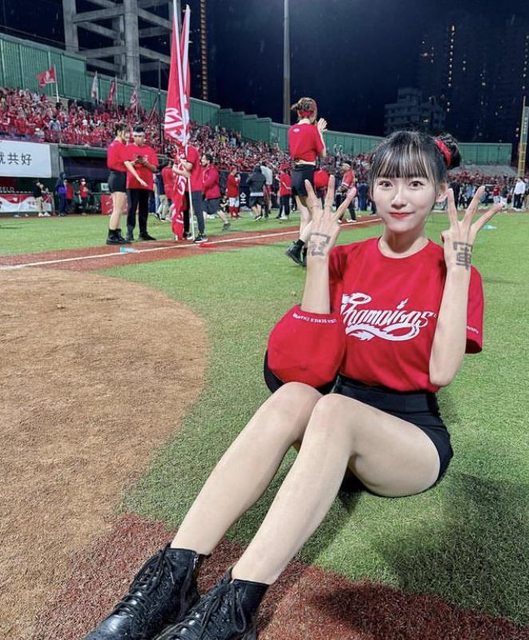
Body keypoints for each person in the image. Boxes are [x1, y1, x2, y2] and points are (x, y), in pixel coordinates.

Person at [84, 130, 502, 640]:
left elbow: (439, 374)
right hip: (331, 433)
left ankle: (232, 609)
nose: (399, 197)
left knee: (334, 410)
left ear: (440, 191)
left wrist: (458, 268)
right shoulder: (346, 260)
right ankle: (171, 576)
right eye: (387, 182)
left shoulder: (452, 270)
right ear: (370, 188)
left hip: (407, 441)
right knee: (297, 396)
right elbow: (305, 364)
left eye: (415, 184)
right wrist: (319, 258)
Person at [285, 96, 327, 265]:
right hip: (307, 173)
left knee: (305, 216)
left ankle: (303, 254)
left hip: (295, 173)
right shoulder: (312, 130)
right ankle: (297, 247)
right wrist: (319, 132)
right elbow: (323, 154)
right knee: (318, 214)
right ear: (313, 112)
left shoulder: (291, 129)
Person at [106, 123, 146, 245]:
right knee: (118, 209)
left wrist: (133, 163)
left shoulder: (113, 145)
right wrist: (138, 178)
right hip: (119, 177)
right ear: (119, 132)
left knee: (117, 209)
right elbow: (127, 164)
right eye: (126, 132)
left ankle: (116, 233)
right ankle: (112, 235)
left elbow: (123, 163)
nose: (128, 135)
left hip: (114, 176)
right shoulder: (120, 145)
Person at [124, 125, 158, 242]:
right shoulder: (128, 148)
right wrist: (134, 162)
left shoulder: (150, 150)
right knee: (131, 208)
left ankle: (143, 232)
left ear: (144, 137)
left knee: (144, 209)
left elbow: (154, 168)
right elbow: (124, 165)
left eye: (140, 136)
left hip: (146, 184)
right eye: (136, 136)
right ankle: (129, 232)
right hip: (132, 183)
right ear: (133, 136)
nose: (138, 138)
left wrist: (145, 163)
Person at [201, 153, 230, 231]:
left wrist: (201, 187)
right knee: (203, 209)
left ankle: (226, 222)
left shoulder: (213, 170)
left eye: (203, 159)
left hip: (213, 194)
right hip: (206, 194)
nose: (201, 160)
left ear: (208, 161)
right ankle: (201, 227)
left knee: (217, 209)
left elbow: (209, 182)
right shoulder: (204, 170)